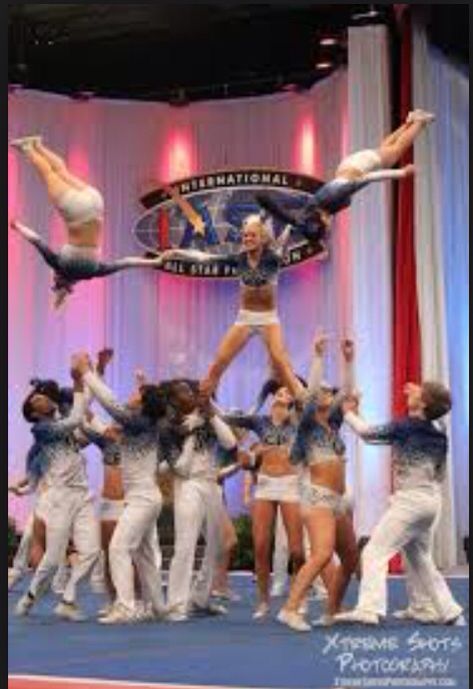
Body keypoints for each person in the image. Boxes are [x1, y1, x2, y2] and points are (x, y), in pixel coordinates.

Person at [335, 382, 465, 626]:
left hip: (411, 501)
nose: (411, 390)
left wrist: (347, 412)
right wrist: (421, 395)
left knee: (375, 551)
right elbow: (440, 473)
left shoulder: (405, 427)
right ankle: (442, 610)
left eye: (418, 391)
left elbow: (367, 433)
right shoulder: (438, 431)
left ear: (424, 403)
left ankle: (369, 609)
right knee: (420, 557)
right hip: (431, 500)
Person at [158, 215, 321, 396]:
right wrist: (177, 253)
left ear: (262, 238)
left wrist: (289, 225)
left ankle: (302, 400)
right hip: (244, 319)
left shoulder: (273, 258)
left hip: (268, 319)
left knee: (280, 362)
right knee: (218, 364)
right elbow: (204, 258)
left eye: (252, 235)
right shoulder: (239, 259)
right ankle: (201, 406)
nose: (248, 239)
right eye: (245, 236)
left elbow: (283, 240)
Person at [10, 137, 163, 308]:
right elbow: (37, 241)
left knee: (62, 173)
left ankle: (38, 144)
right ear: (60, 277)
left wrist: (154, 262)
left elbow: (127, 262)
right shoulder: (60, 265)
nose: (53, 275)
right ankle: (29, 148)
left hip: (96, 204)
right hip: (78, 210)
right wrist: (17, 227)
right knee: (50, 174)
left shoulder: (94, 272)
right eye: (54, 278)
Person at [78, 353, 167, 624]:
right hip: (144, 497)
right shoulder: (140, 425)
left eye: (138, 394)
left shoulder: (139, 422)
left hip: (143, 498)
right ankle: (157, 607)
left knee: (118, 548)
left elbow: (111, 403)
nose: (132, 395)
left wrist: (88, 374)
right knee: (145, 555)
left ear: (142, 404)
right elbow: (99, 417)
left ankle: (126, 606)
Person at [278, 336, 359, 632]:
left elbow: (347, 391)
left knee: (350, 557)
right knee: (323, 553)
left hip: (337, 501)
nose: (326, 392)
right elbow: (309, 396)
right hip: (317, 498)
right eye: (322, 390)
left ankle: (332, 610)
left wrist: (348, 360)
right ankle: (290, 609)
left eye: (328, 390)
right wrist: (317, 356)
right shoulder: (307, 424)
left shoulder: (334, 424)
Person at [15, 357, 101, 621]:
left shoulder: (61, 415)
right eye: (35, 401)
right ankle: (29, 597)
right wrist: (77, 381)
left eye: (41, 396)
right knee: (52, 561)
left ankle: (68, 600)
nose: (40, 399)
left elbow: (84, 403)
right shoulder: (42, 429)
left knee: (92, 552)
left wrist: (92, 371)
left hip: (82, 494)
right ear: (34, 414)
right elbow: (76, 417)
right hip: (59, 498)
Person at [257, 109, 435, 231]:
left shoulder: (332, 198)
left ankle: (419, 121)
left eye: (326, 228)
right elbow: (281, 211)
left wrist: (402, 173)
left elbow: (367, 179)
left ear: (323, 221)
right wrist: (265, 210)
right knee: (384, 151)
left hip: (359, 167)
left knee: (395, 153)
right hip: (349, 167)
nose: (329, 228)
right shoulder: (309, 214)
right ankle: (409, 122)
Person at [160, 380, 237, 622]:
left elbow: (230, 443)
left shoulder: (208, 417)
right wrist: (192, 435)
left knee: (216, 545)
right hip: (188, 485)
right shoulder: (169, 427)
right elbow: (180, 468)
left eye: (190, 389)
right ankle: (176, 603)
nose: (190, 393)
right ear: (173, 400)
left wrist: (211, 415)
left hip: (211, 484)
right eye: (182, 391)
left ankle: (199, 599)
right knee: (186, 544)